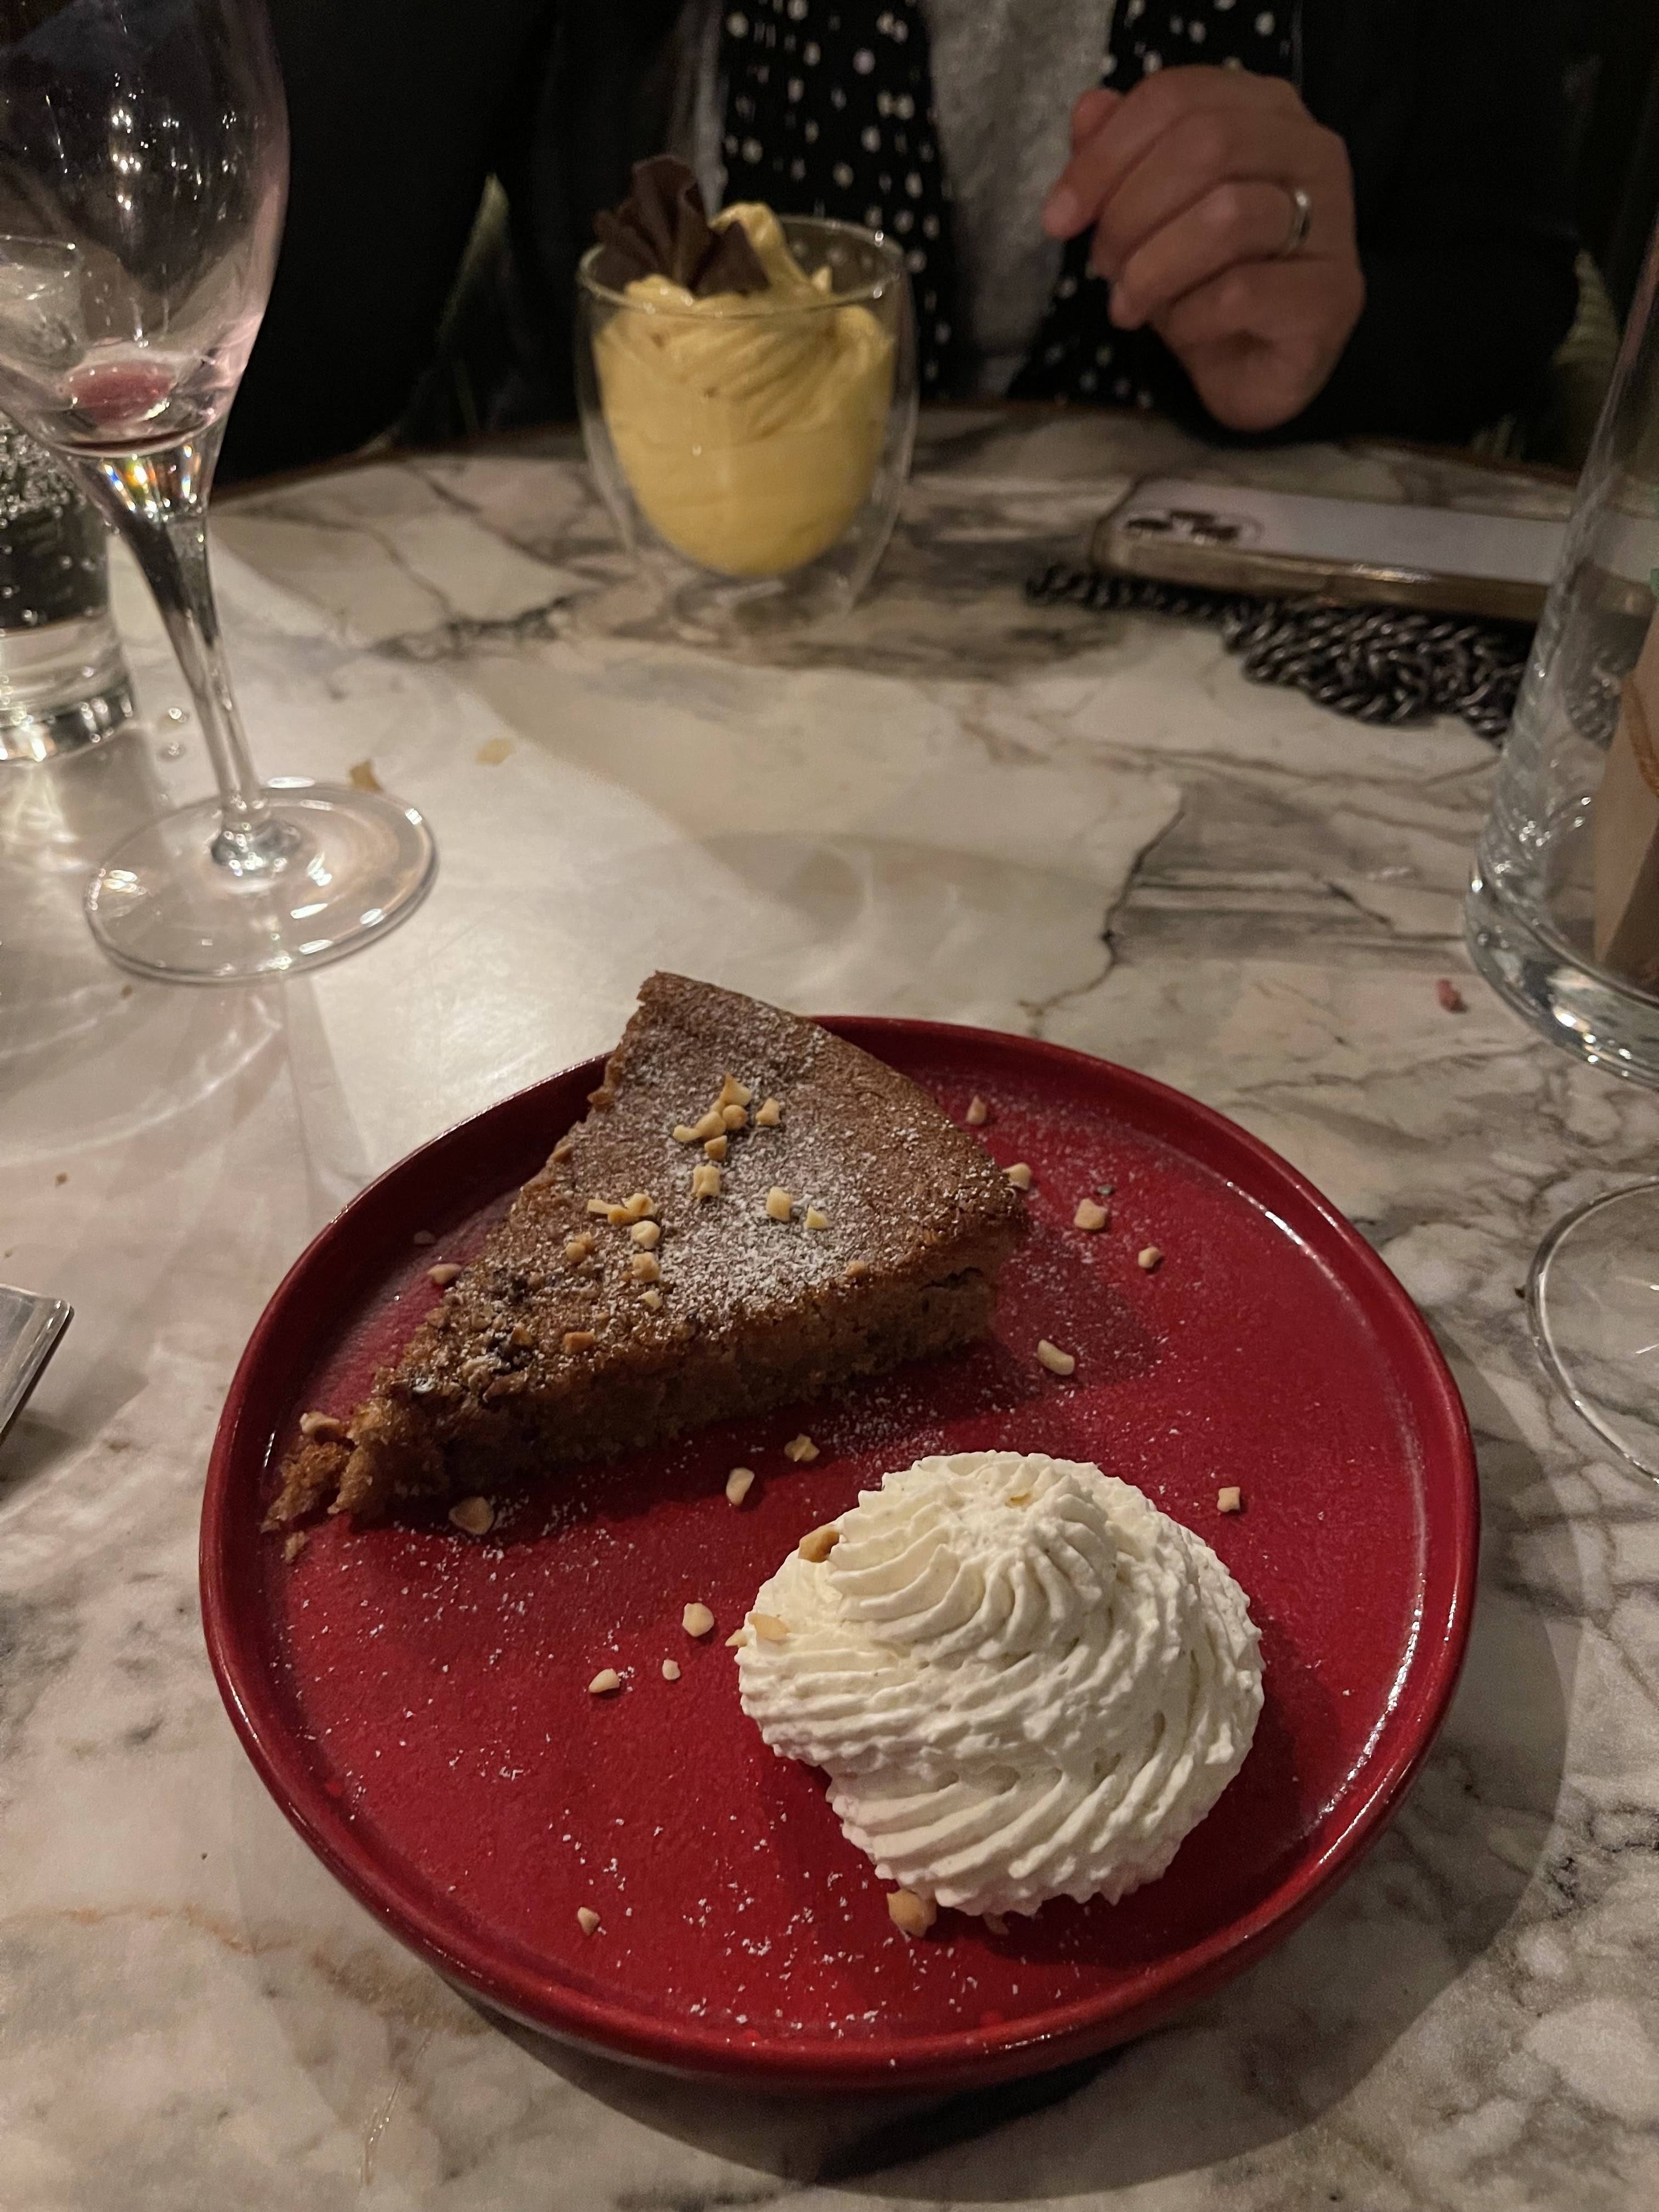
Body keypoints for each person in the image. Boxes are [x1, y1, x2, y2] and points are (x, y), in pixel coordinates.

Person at [220, 2, 1579, 481]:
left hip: (1196, 630)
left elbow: (1511, 290)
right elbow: (276, 389)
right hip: (632, 627)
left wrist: (1329, 329)